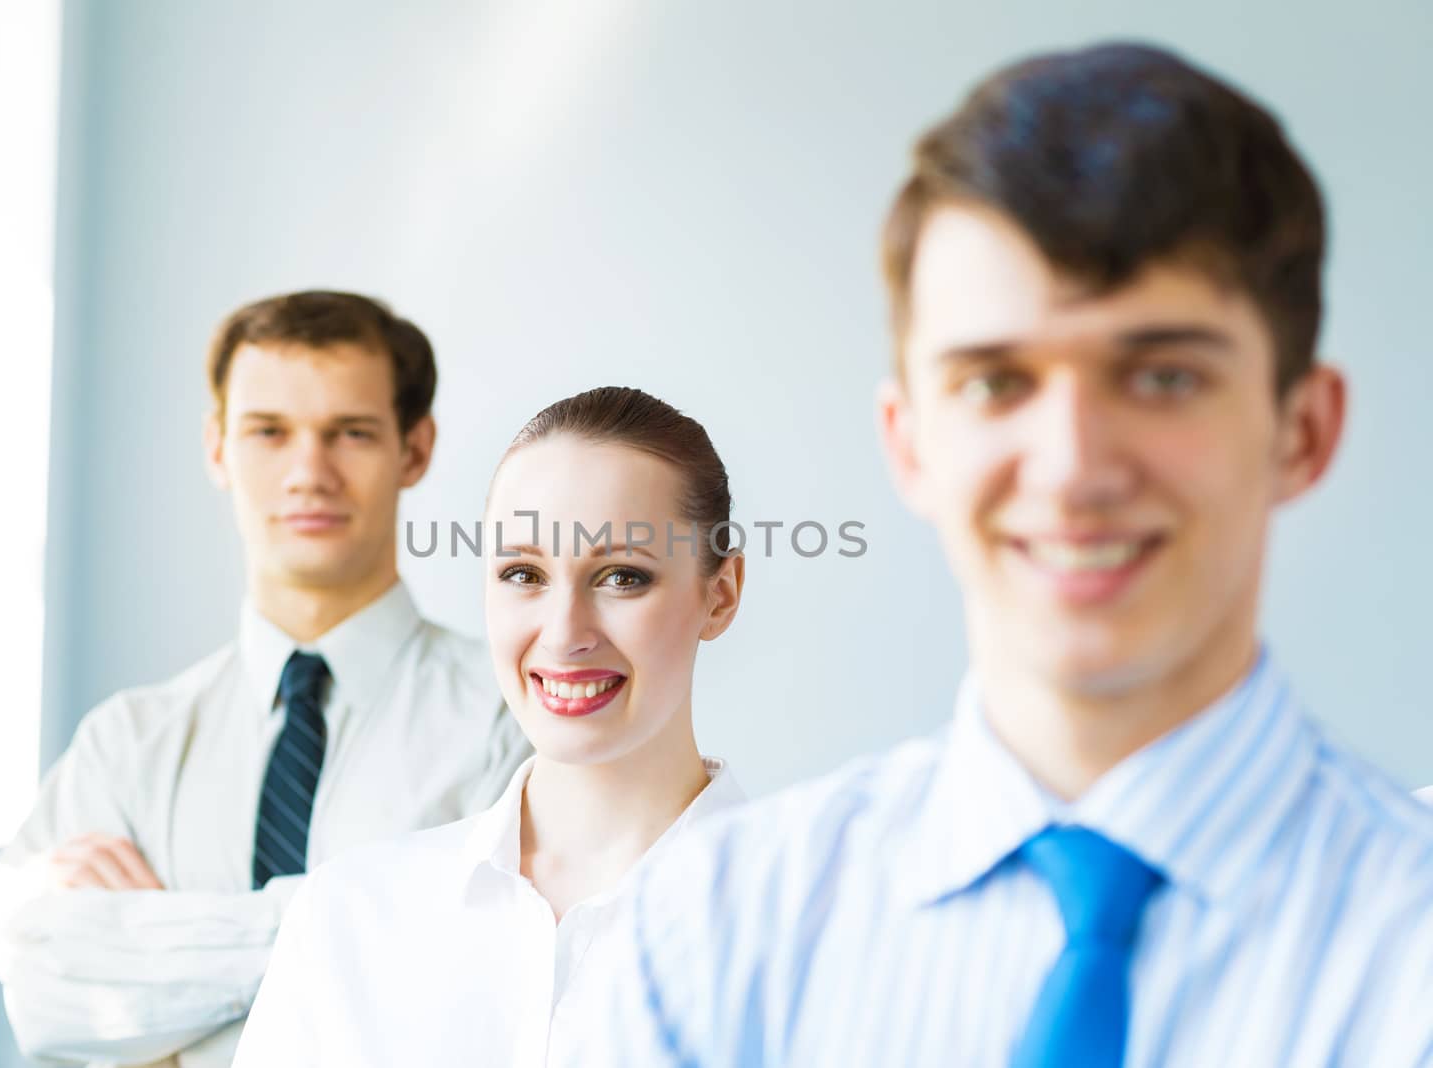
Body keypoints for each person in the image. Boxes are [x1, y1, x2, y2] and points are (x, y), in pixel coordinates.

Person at [590, 43, 1433, 1067]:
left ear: (1301, 430)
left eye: (1162, 377)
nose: (1072, 468)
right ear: (908, 444)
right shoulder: (707, 942)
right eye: (995, 383)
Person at [0, 290, 530, 1067]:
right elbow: (44, 990)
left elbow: (504, 992)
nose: (309, 472)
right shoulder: (127, 743)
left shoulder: (518, 718)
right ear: (217, 448)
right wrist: (373, 929)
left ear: (415, 449)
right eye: (269, 432)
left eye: (352, 433)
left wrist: (157, 952)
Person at [231, 386, 748, 1066]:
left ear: (721, 594)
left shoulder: (813, 927)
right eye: (523, 573)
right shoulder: (351, 916)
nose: (565, 636)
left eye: (623, 577)